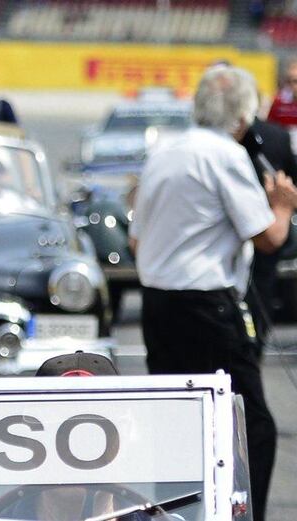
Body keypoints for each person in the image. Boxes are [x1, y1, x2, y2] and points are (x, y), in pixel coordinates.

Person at [129, 65, 296, 521]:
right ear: (243, 116)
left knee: (176, 421)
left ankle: (176, 511)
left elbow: (136, 240)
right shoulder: (225, 154)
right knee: (251, 425)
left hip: (158, 303)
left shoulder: (164, 150)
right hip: (206, 302)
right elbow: (267, 236)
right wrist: (281, 204)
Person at [241, 115, 297, 351]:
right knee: (261, 285)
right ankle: (256, 342)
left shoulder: (274, 136)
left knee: (260, 286)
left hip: (260, 228)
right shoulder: (277, 135)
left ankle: (255, 340)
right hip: (263, 226)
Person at [267, 54, 297, 154]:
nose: (294, 86)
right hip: (285, 151)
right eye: (292, 81)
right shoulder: (279, 102)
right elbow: (270, 127)